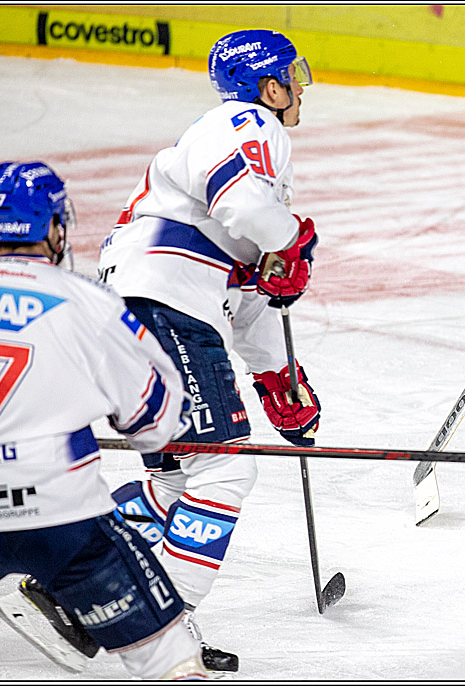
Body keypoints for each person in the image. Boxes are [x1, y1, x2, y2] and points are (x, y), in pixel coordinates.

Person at [85, 29, 320, 671]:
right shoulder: (247, 122)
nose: (302, 86)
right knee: (224, 469)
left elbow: (243, 298)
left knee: (173, 476)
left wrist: (280, 382)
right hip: (164, 308)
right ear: (267, 85)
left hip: (134, 309)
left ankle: (84, 589)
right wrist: (290, 240)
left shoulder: (239, 148)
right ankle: (155, 626)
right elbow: (244, 207)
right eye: (292, 74)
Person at [0, 161, 205, 679]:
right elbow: (158, 422)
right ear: (55, 228)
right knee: (170, 659)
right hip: (62, 519)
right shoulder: (86, 302)